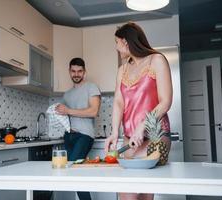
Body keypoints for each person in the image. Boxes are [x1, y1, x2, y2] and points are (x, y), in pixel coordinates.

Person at [104, 22, 173, 200]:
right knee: (131, 192)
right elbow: (119, 102)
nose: (116, 47)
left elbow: (165, 102)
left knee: (136, 190)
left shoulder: (157, 60)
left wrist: (142, 126)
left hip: (156, 136)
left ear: (126, 42)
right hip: (130, 139)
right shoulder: (122, 69)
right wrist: (114, 132)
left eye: (117, 42)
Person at [56, 57, 101, 200]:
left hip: (84, 136)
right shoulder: (66, 94)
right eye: (73, 71)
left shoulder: (91, 87)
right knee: (72, 174)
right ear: (69, 72)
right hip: (69, 136)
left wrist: (68, 110)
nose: (76, 74)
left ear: (84, 72)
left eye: (79, 71)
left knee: (73, 172)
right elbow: (65, 116)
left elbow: (94, 111)